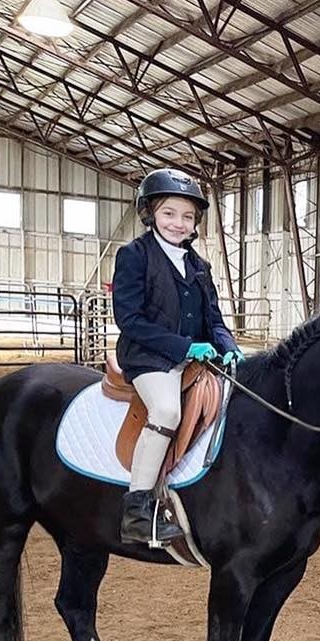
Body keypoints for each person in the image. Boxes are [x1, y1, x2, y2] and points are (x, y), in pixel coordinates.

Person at [110, 167, 243, 546]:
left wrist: (229, 347)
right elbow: (130, 319)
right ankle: (136, 508)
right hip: (149, 358)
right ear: (151, 213)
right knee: (167, 411)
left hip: (195, 360)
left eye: (187, 216)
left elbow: (214, 319)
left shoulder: (200, 266)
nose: (178, 223)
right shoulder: (134, 256)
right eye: (169, 213)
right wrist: (184, 348)